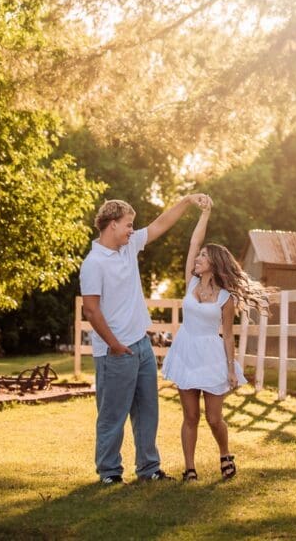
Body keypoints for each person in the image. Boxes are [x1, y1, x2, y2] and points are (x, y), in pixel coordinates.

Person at [78, 194, 206, 485]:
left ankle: (149, 468)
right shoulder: (93, 263)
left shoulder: (129, 246)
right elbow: (91, 310)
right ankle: (110, 472)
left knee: (148, 411)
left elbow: (161, 224)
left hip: (141, 344)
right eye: (128, 225)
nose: (132, 230)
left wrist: (186, 200)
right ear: (112, 225)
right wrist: (114, 345)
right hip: (114, 351)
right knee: (112, 415)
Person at [161, 195, 264, 482]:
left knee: (214, 418)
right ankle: (190, 469)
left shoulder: (225, 298)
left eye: (203, 256)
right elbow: (194, 242)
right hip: (186, 352)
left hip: (211, 355)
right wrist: (204, 213)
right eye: (199, 255)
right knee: (190, 417)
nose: (197, 258)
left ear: (214, 263)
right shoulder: (191, 281)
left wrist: (231, 369)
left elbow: (228, 336)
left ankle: (225, 454)